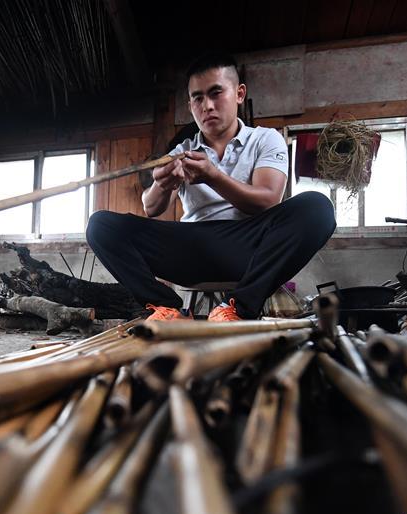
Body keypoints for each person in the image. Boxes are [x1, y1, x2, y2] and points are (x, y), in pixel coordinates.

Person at [86, 53, 335, 322]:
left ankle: (239, 308)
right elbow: (151, 208)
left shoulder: (265, 139)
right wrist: (162, 183)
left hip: (248, 246)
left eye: (216, 93)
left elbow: (267, 200)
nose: (207, 106)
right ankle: (165, 307)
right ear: (190, 104)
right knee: (101, 225)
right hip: (190, 248)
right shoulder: (182, 151)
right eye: (198, 98)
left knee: (318, 207)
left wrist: (213, 176)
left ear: (239, 94)